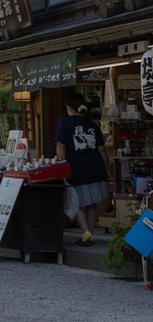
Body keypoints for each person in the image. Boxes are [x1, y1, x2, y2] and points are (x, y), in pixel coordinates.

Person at [55, 92, 111, 246]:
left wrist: (60, 164)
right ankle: (90, 234)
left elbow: (61, 145)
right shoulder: (92, 125)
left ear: (70, 108)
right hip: (95, 169)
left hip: (75, 169)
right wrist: (107, 169)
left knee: (75, 203)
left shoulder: (64, 123)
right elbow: (102, 150)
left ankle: (86, 233)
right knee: (91, 203)